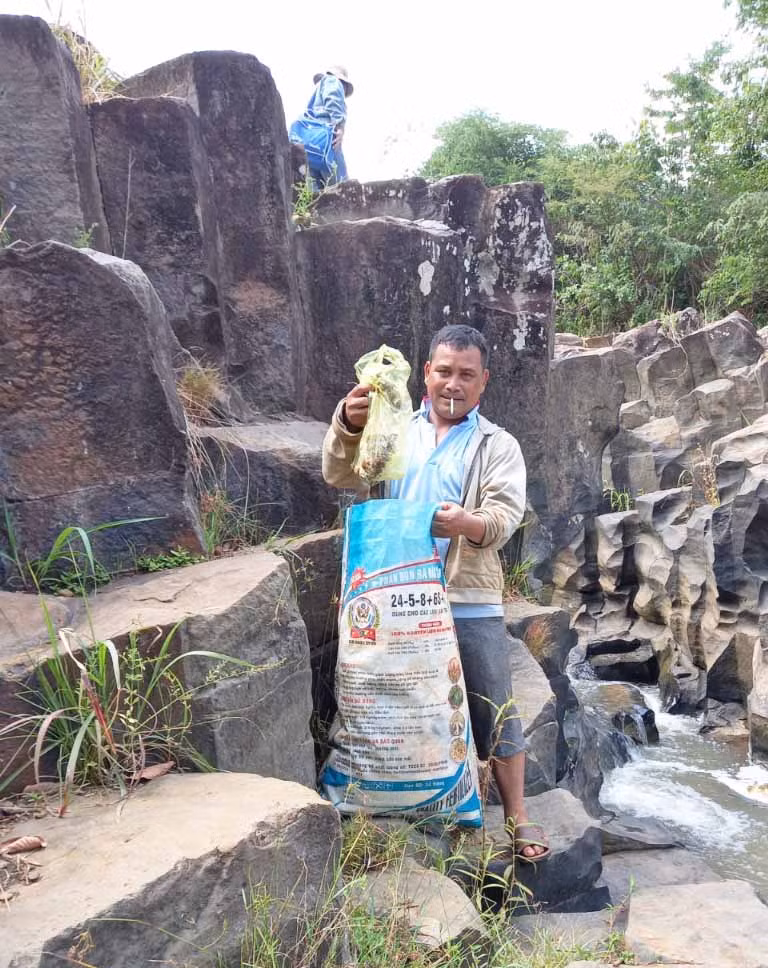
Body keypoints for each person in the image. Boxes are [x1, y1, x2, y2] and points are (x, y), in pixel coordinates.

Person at [321, 324, 550, 861]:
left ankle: (516, 816)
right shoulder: (394, 428)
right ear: (425, 373)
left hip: (466, 595)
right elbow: (339, 472)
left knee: (495, 702)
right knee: (392, 696)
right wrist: (349, 425)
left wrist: (467, 522)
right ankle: (399, 799)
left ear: (483, 381)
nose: (454, 384)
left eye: (466, 375)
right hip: (389, 591)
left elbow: (502, 518)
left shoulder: (498, 444)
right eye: (444, 371)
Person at [289, 66, 353, 190]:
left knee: (314, 192)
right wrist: (340, 126)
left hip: (310, 145)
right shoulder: (333, 81)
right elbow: (333, 100)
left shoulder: (317, 91)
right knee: (343, 188)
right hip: (326, 142)